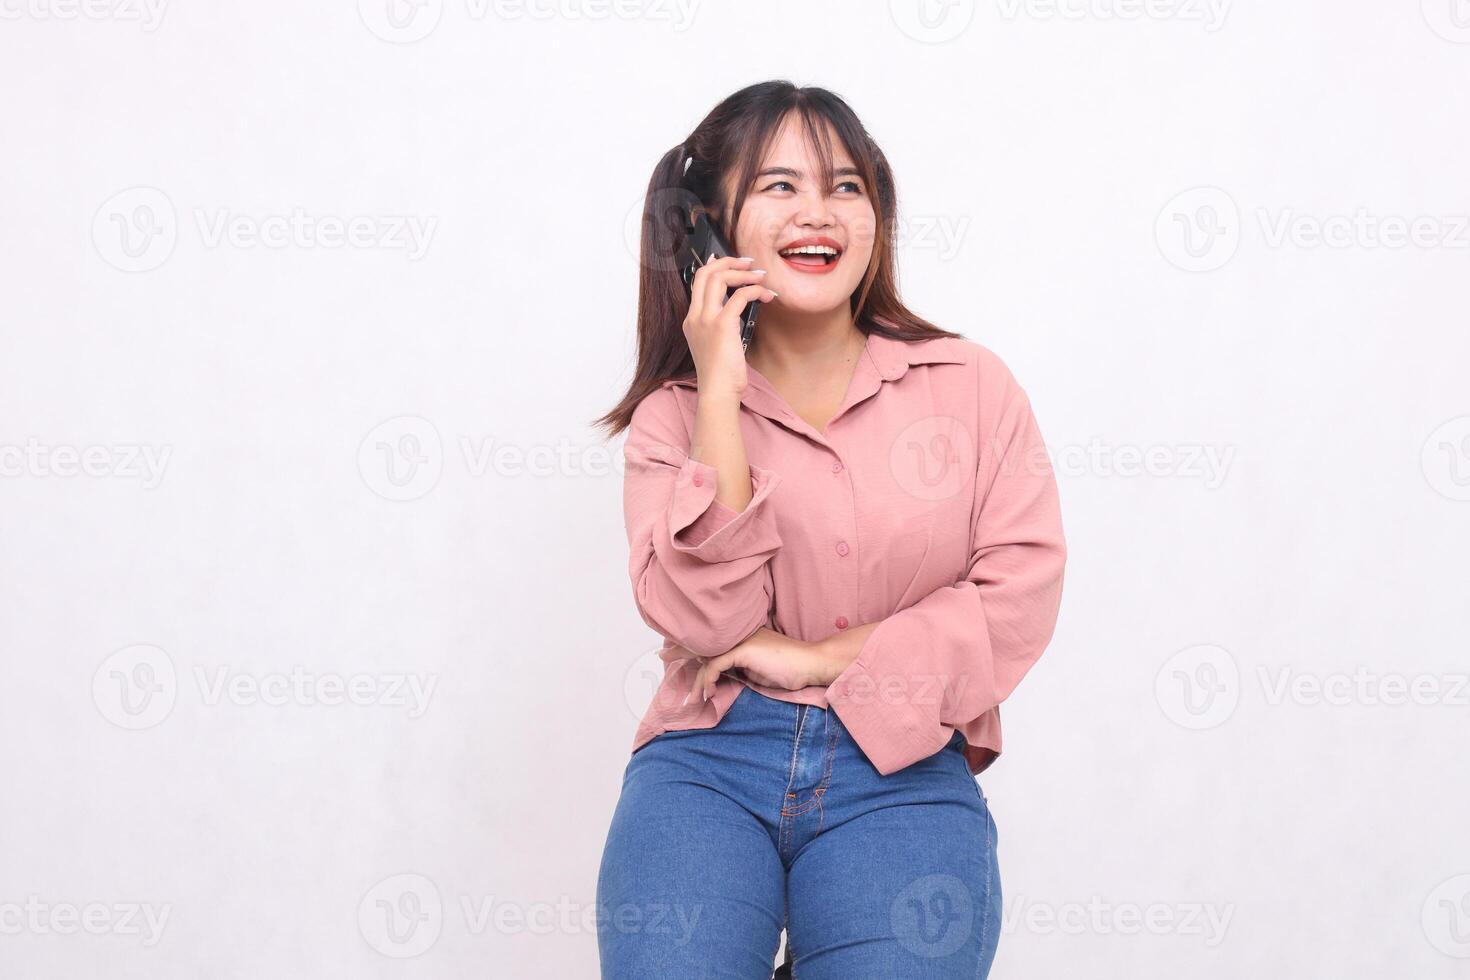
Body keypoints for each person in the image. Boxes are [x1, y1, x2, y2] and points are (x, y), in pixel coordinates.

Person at [591, 79, 1067, 979]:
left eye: (846, 186)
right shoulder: (675, 418)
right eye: (780, 186)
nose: (820, 214)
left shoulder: (970, 385)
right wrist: (720, 389)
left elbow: (1018, 597)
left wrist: (820, 657)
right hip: (707, 759)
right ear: (710, 226)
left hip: (901, 762)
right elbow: (708, 625)